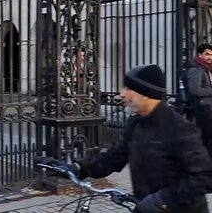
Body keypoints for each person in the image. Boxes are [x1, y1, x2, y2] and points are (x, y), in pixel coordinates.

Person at [44, 64, 212, 213]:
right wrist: (79, 168)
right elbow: (116, 156)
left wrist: (162, 201)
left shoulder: (179, 128)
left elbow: (203, 176)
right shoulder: (136, 122)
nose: (121, 94)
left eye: (128, 88)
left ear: (145, 94)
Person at [186, 43, 212, 155]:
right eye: (207, 54)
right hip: (203, 108)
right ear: (199, 55)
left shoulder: (207, 69)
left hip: (208, 107)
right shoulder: (195, 70)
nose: (210, 57)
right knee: (206, 137)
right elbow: (195, 90)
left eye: (211, 54)